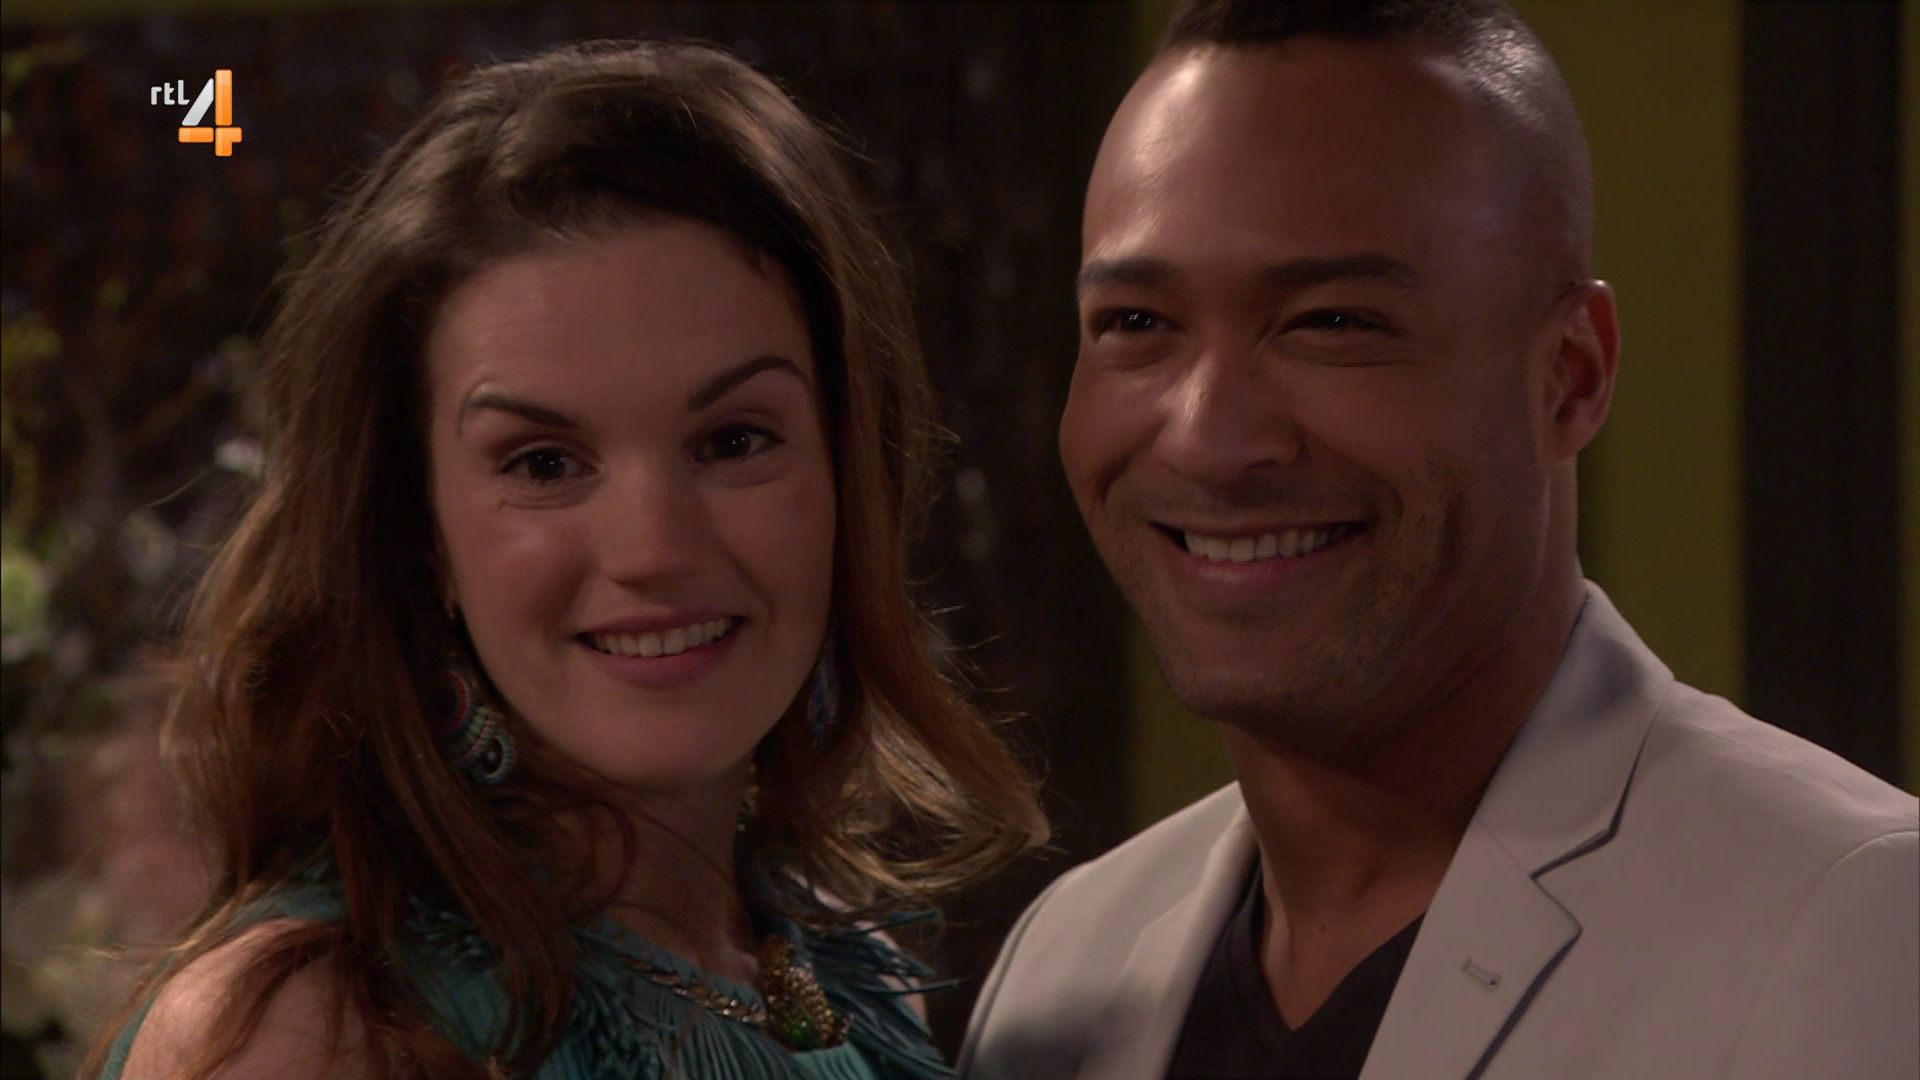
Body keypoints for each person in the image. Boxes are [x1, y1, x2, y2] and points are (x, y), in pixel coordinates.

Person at [961, 2, 1919, 1079]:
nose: (1210, 442)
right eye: (1138, 325)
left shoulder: (1851, 926)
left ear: (1570, 378)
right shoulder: (1063, 965)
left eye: (1333, 323)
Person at [86, 39, 1046, 1080]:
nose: (653, 549)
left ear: (850, 470)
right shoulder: (312, 1032)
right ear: (418, 531)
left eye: (733, 441)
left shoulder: (849, 976)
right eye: (544, 463)